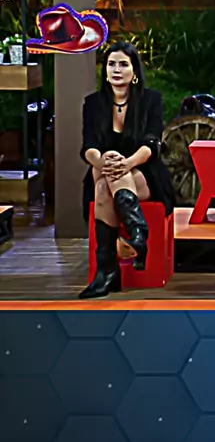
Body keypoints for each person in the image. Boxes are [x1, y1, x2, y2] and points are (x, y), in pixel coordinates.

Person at [79, 41, 175, 299]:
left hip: (144, 173)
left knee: (104, 185)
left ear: (134, 71)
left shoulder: (150, 100)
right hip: (104, 171)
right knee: (103, 179)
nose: (116, 70)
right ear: (105, 71)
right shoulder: (93, 103)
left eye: (123, 64)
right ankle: (137, 233)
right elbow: (88, 147)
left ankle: (106, 272)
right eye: (111, 64)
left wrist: (127, 163)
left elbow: (152, 144)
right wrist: (104, 161)